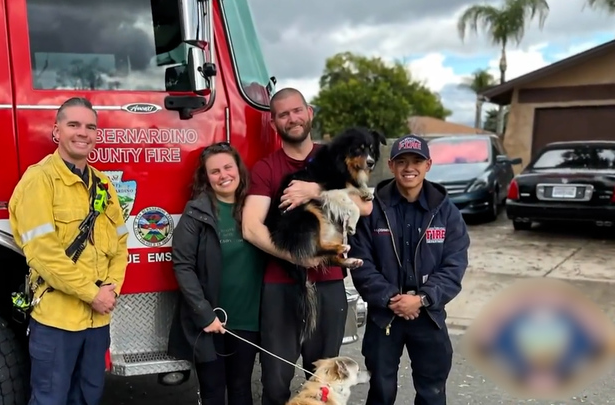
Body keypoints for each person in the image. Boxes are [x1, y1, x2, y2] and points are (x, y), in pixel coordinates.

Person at [241, 87, 374, 405]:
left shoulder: (338, 156)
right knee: (275, 382)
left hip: (329, 286)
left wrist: (315, 190)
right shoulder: (266, 168)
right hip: (280, 286)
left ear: (310, 112)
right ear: (274, 123)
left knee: (326, 381)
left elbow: (366, 206)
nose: (292, 118)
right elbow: (250, 227)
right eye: (283, 114)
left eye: (297, 110)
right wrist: (298, 257)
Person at [8, 97, 128, 405]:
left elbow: (120, 242)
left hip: (97, 321)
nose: (82, 133)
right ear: (56, 132)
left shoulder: (102, 184)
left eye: (90, 126)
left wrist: (112, 289)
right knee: (50, 399)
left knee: (88, 397)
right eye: (73, 124)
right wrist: (93, 294)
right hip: (57, 322)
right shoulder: (39, 180)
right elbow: (43, 254)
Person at [348, 134, 470, 405]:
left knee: (432, 392)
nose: (409, 167)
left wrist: (422, 299)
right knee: (380, 390)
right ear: (391, 165)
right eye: (401, 161)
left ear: (428, 164)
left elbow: (454, 264)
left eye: (416, 161)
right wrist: (392, 298)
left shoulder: (447, 213)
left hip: (428, 315)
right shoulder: (371, 209)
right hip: (384, 317)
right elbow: (360, 262)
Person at [167, 142, 265, 405]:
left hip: (248, 320)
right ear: (206, 177)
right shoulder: (196, 213)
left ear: (239, 169)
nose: (223, 176)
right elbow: (183, 265)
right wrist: (204, 314)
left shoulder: (256, 208)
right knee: (212, 391)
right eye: (215, 171)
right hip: (210, 323)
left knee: (242, 388)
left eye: (227, 167)